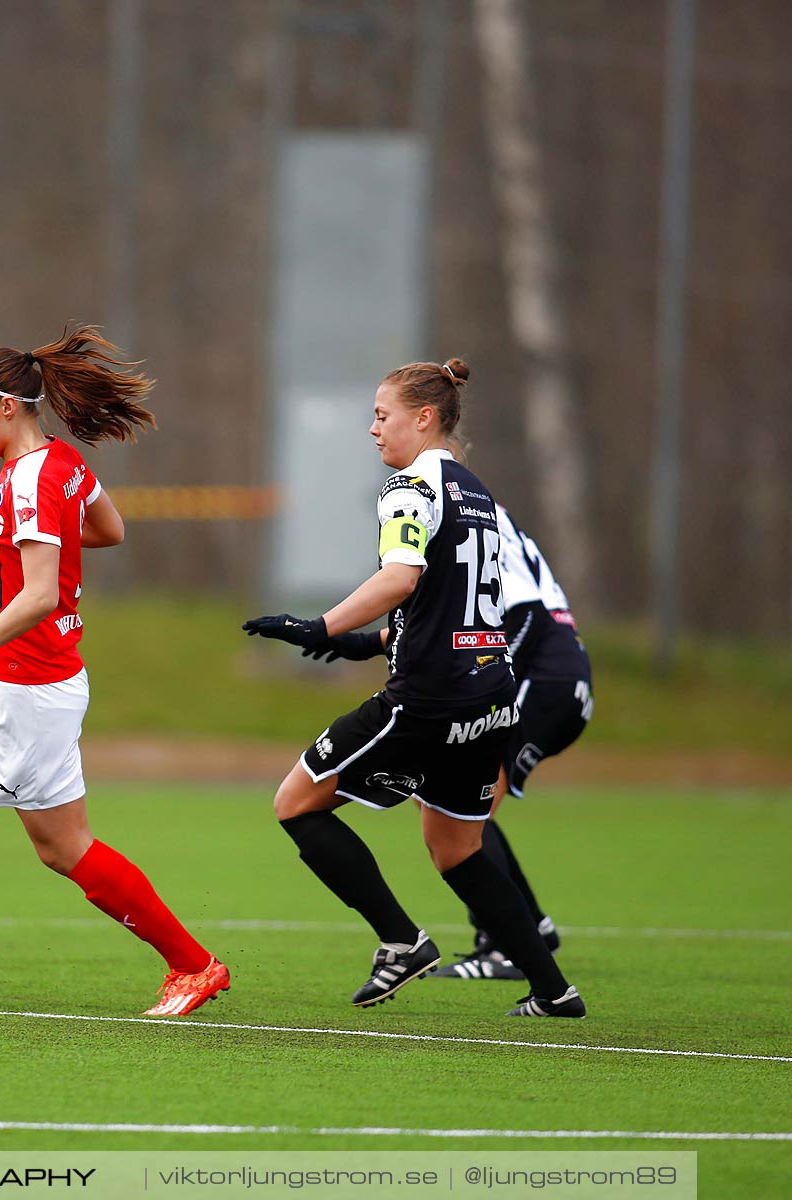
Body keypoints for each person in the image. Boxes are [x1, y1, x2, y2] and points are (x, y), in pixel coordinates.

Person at [0, 325, 230, 1018]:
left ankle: (193, 964)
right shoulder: (55, 462)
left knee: (62, 848)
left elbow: (37, 595)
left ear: (7, 407)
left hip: (28, 689)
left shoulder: (32, 477)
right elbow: (109, 529)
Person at [243, 358, 585, 1018]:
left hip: (430, 697)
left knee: (296, 804)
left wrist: (320, 624)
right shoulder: (476, 493)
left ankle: (402, 941)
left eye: (382, 415)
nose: (373, 429)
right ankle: (553, 990)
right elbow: (450, 602)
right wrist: (366, 641)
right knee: (457, 846)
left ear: (423, 417)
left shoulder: (412, 487)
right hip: (490, 694)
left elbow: (399, 578)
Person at [431, 502, 593, 981]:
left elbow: (526, 615)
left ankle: (507, 945)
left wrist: (485, 684)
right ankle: (529, 930)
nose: (377, 432)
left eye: (384, 419)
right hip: (555, 677)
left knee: (462, 812)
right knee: (449, 806)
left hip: (544, 679)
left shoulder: (469, 507)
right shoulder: (459, 504)